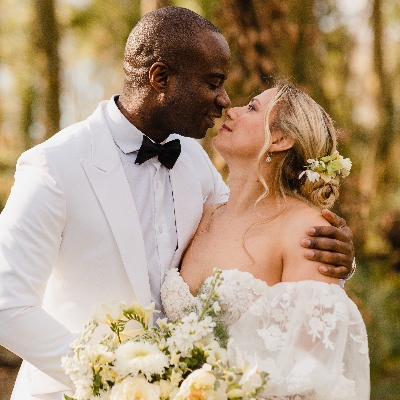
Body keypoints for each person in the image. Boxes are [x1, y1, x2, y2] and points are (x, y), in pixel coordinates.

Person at [0, 7, 354, 400]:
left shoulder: (192, 157)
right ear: (161, 78)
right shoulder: (54, 166)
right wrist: (114, 375)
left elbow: (254, 229)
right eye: (213, 82)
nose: (224, 100)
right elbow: (6, 304)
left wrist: (333, 251)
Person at [161, 82, 369, 399]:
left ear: (281, 139)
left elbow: (309, 376)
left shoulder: (307, 231)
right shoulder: (201, 216)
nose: (231, 109)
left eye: (252, 108)